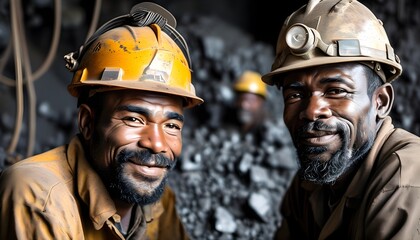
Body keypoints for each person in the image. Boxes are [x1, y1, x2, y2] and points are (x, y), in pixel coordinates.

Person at [0, 2, 203, 240]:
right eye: (134, 119)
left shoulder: (156, 202)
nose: (157, 144)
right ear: (87, 122)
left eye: (171, 125)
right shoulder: (37, 195)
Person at [261, 0, 420, 239]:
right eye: (295, 94)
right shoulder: (312, 180)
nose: (312, 111)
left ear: (381, 101)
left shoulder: (405, 179)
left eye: (335, 91)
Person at [232, 70, 268, 135]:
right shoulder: (230, 121)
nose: (244, 105)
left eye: (250, 100)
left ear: (261, 102)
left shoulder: (267, 130)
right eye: (240, 99)